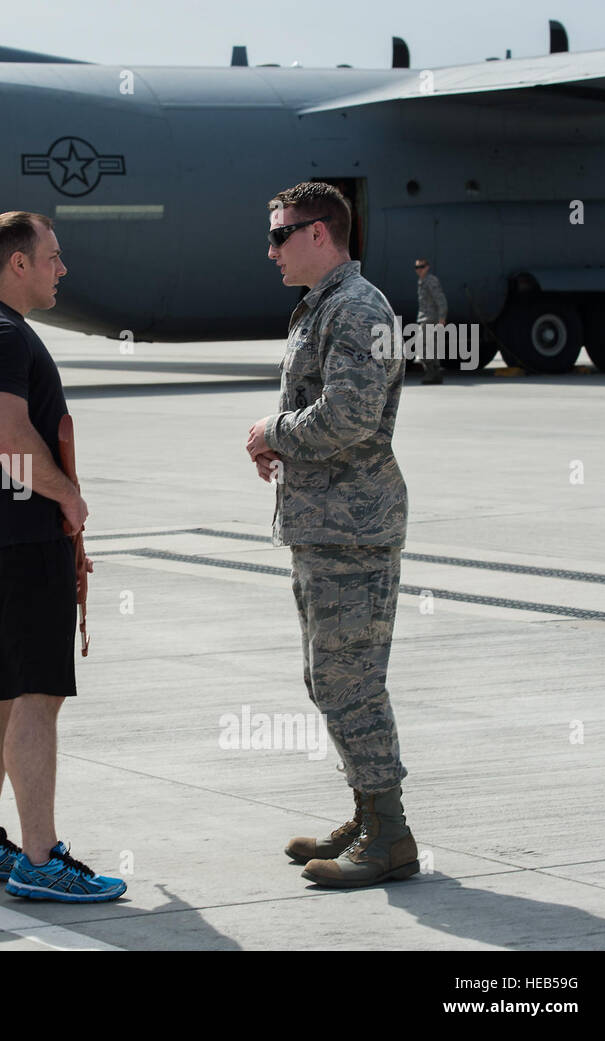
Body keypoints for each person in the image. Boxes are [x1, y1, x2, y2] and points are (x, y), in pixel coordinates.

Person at [0, 211, 126, 903]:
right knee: (37, 700)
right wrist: (67, 495)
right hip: (21, 541)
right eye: (52, 256)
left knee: (0, 691)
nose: (62, 267)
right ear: (18, 263)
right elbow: (4, 431)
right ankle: (40, 857)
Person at [247, 180, 417, 889]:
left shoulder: (356, 308)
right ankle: (367, 812)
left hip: (354, 531)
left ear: (322, 233)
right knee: (328, 678)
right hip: (326, 527)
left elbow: (346, 416)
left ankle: (391, 833)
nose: (271, 250)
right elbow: (323, 410)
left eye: (281, 235)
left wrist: (270, 431)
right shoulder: (324, 308)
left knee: (352, 684)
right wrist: (281, 443)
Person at [415, 258, 448, 385]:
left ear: (427, 267)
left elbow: (441, 300)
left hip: (430, 319)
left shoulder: (431, 281)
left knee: (422, 346)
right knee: (429, 347)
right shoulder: (422, 281)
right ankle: (434, 373)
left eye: (421, 267)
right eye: (417, 267)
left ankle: (432, 372)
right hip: (425, 318)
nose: (419, 270)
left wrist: (442, 318)